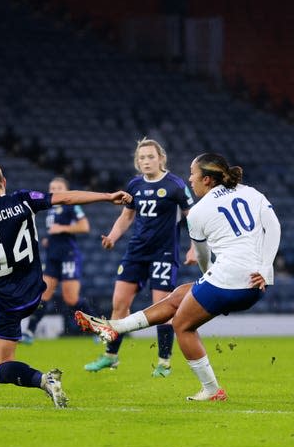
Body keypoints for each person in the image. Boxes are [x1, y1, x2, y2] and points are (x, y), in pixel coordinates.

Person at [0, 154, 131, 408]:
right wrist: (107, 196)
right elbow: (66, 198)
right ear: (3, 180)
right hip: (34, 293)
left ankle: (44, 380)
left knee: (0, 369)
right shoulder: (23, 200)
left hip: (3, 300)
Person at [76, 153, 280, 401]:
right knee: (180, 295)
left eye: (192, 174)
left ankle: (212, 390)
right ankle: (114, 327)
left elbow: (204, 259)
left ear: (206, 179)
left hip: (226, 280)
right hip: (253, 281)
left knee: (183, 325)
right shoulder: (250, 192)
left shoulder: (198, 212)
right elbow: (274, 225)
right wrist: (266, 269)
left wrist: (209, 281)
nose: (189, 179)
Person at [84, 138, 195, 377]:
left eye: (150, 157)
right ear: (137, 161)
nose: (146, 161)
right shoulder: (134, 185)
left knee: (162, 307)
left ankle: (164, 362)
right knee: (119, 304)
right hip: (136, 251)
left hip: (164, 252)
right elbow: (126, 217)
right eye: (142, 158)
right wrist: (113, 237)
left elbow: (193, 217)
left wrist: (194, 247)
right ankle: (110, 356)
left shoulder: (175, 185)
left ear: (161, 158)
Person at [21, 177, 90, 345]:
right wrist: (49, 239)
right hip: (52, 257)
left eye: (59, 187)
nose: (55, 189)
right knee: (42, 295)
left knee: (71, 299)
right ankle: (29, 331)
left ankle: (97, 327)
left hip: (68, 256)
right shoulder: (50, 208)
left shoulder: (72, 205)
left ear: (66, 190)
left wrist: (62, 229)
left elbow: (84, 226)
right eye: (52, 187)